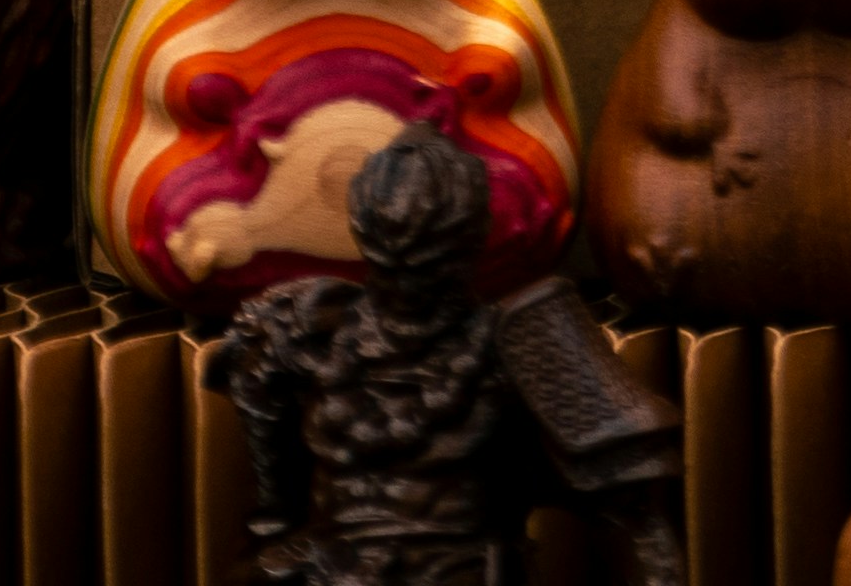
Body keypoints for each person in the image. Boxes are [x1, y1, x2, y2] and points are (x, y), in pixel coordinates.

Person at [208, 126, 682, 586]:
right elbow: (271, 517)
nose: (412, 276)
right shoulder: (307, 331)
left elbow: (633, 515)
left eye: (431, 258)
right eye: (395, 258)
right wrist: (270, 552)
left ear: (470, 244)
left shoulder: (519, 341)